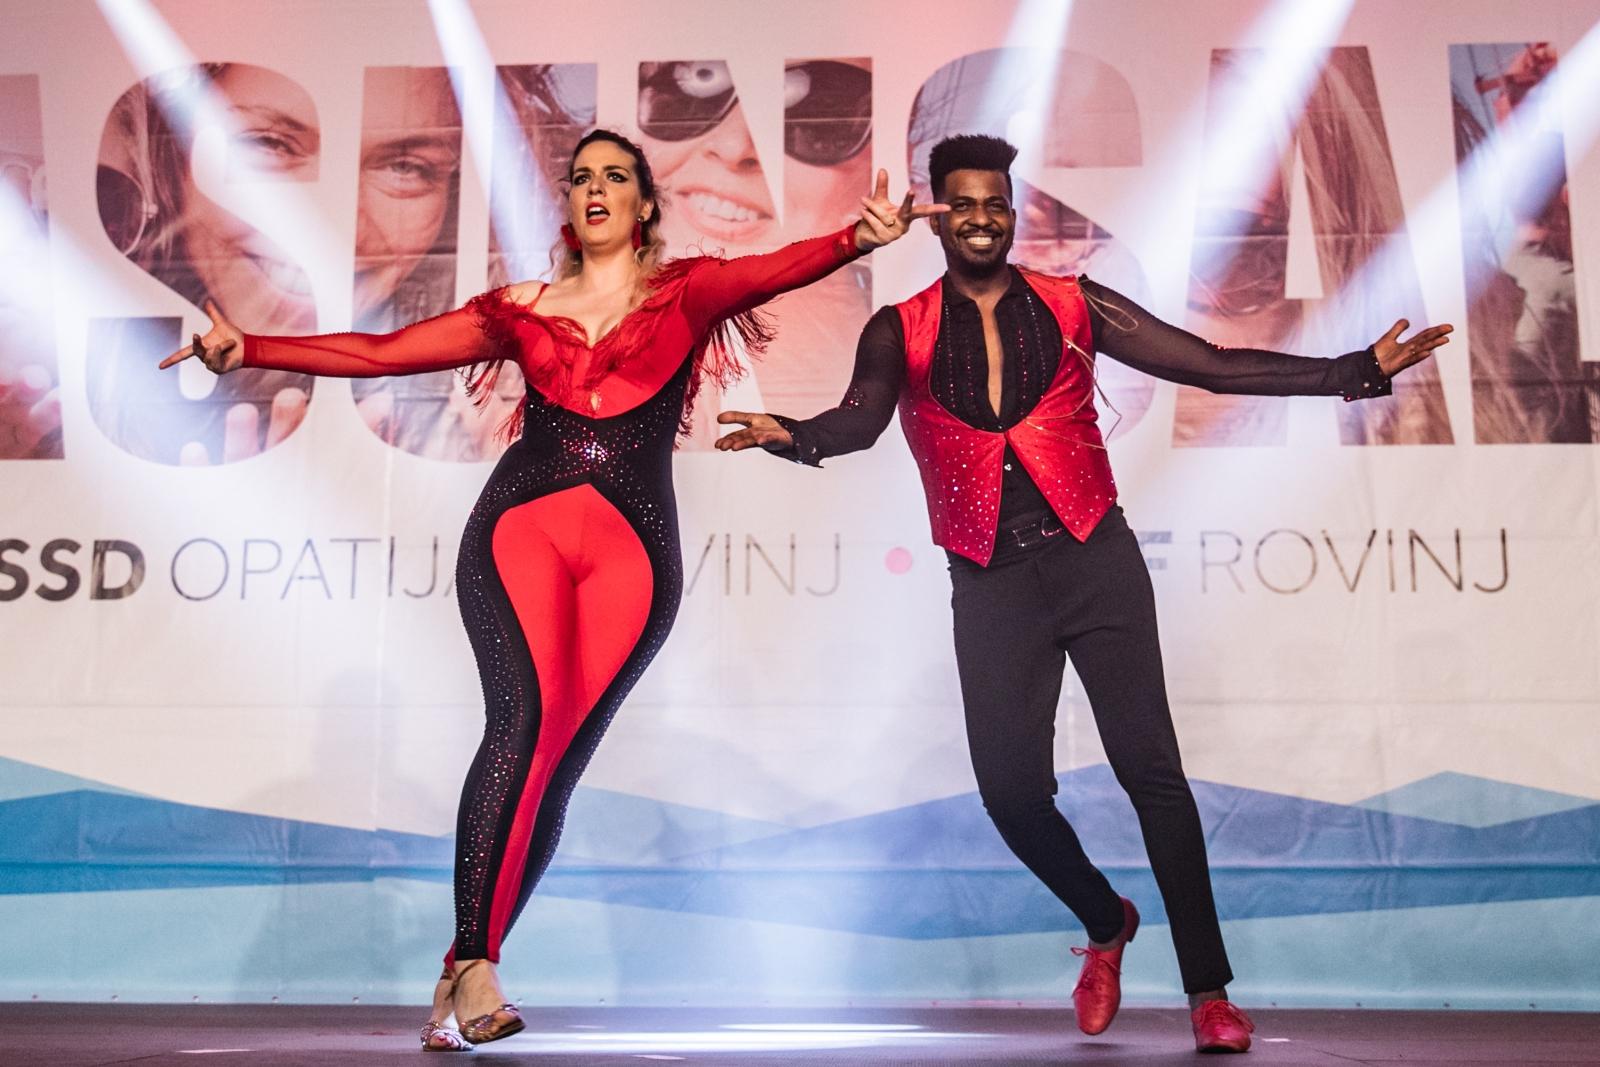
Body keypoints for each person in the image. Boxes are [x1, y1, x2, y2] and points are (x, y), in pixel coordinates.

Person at [163, 128, 942, 1051]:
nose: (595, 187)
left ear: (644, 204)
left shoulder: (688, 291)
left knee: (553, 768)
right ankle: (480, 962)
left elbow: (774, 269)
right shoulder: (521, 309)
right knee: (519, 724)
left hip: (633, 554)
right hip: (519, 531)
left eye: (615, 175)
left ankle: (462, 962)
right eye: (581, 178)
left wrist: (858, 238)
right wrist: (249, 345)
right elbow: (384, 351)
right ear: (569, 205)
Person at [715, 134, 1450, 1054]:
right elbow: (859, 422)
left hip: (1094, 558)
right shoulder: (898, 329)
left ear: (1013, 212)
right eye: (962, 203)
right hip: (990, 578)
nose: (981, 218)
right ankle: (1107, 921)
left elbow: (1208, 363)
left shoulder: (1074, 303)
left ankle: (1210, 993)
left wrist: (1353, 371)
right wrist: (793, 434)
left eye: (996, 203)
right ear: (937, 216)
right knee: (1011, 794)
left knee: (1154, 777)